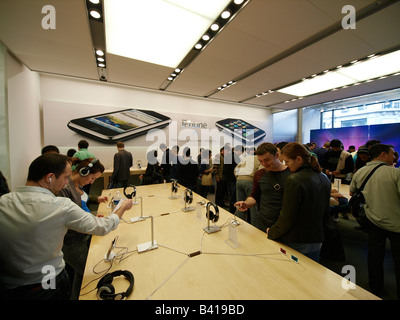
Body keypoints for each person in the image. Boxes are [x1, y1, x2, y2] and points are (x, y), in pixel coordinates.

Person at [0, 154, 133, 300]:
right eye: (65, 177)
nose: (65, 183)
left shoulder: (3, 202)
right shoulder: (60, 206)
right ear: (50, 177)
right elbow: (103, 227)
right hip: (49, 281)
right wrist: (122, 208)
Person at [349, 143, 400, 299]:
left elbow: (352, 191)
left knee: (375, 256)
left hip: (372, 220)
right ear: (383, 155)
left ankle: (375, 287)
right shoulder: (395, 173)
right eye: (392, 154)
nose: (394, 157)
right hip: (396, 224)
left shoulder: (360, 172)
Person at [267, 142, 331, 262]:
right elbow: (326, 212)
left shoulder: (294, 179)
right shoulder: (324, 177)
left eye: (287, 161)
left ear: (299, 159)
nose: (286, 165)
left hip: (298, 238)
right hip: (317, 237)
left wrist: (272, 232)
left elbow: (287, 216)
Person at [58, 157, 108, 299]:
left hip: (82, 236)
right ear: (83, 172)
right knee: (90, 274)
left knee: (82, 276)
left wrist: (95, 199)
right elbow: (73, 218)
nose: (92, 182)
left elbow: (82, 199)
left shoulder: (76, 186)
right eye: (92, 178)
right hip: (72, 243)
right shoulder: (65, 190)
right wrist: (94, 222)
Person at [235, 143, 291, 232]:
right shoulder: (259, 174)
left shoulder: (291, 174)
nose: (264, 164)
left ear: (276, 155)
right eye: (260, 161)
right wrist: (246, 203)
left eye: (267, 160)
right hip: (263, 222)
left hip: (283, 225)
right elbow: (254, 196)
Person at [234, 149, 261, 224]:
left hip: (239, 180)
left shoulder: (247, 158)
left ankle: (238, 222)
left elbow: (236, 169)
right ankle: (254, 225)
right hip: (250, 181)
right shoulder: (260, 159)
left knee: (240, 204)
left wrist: (238, 177)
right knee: (252, 206)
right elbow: (261, 172)